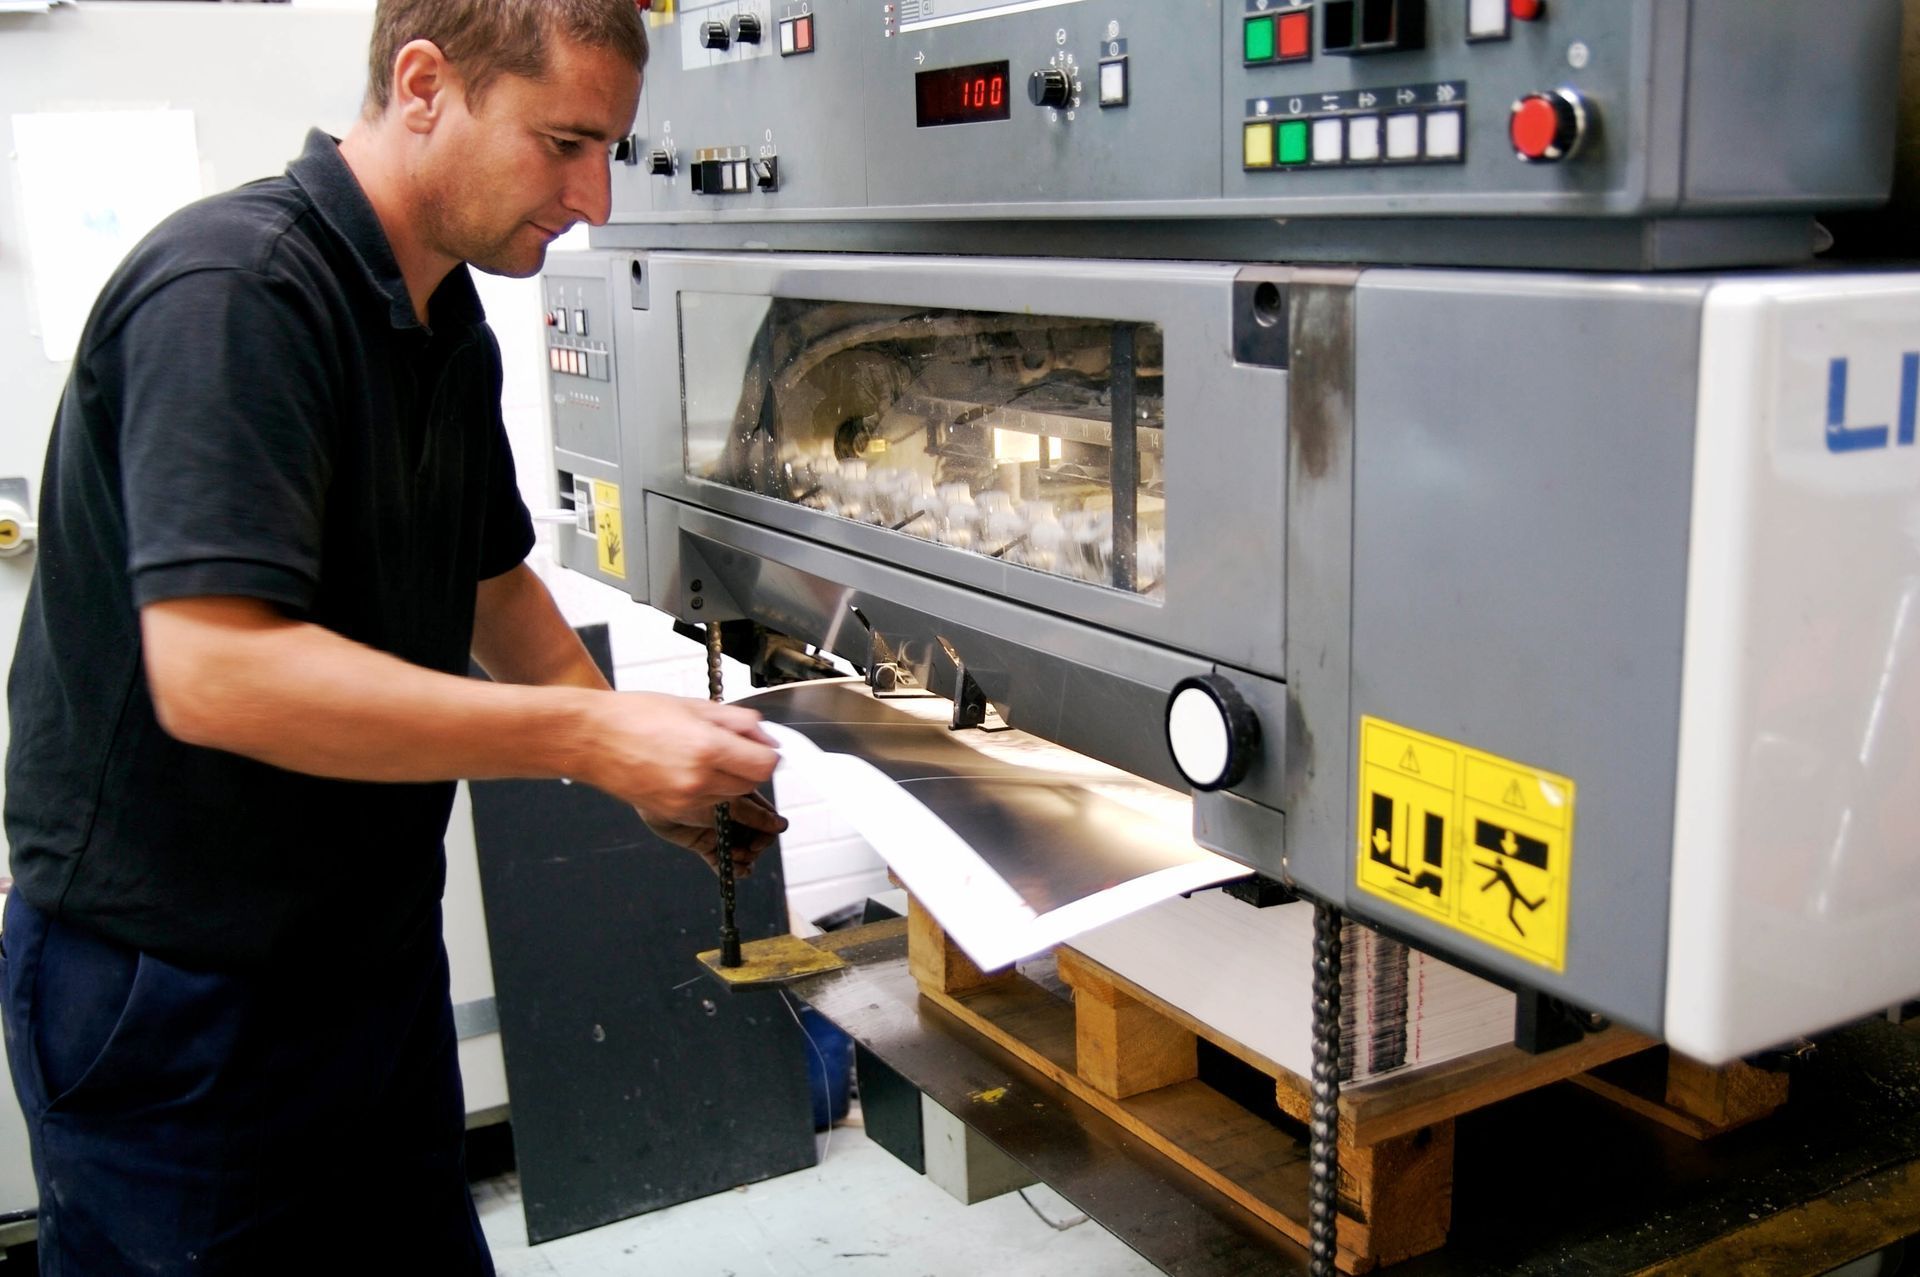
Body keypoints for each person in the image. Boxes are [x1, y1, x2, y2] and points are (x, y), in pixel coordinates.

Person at [0, 1, 785, 1271]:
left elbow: (490, 581)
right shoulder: (236, 297)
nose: (592, 197)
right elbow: (216, 674)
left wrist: (651, 777)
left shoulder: (440, 318)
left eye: (610, 154)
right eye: (564, 144)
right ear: (425, 84)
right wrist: (590, 734)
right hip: (176, 994)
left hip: (365, 961)